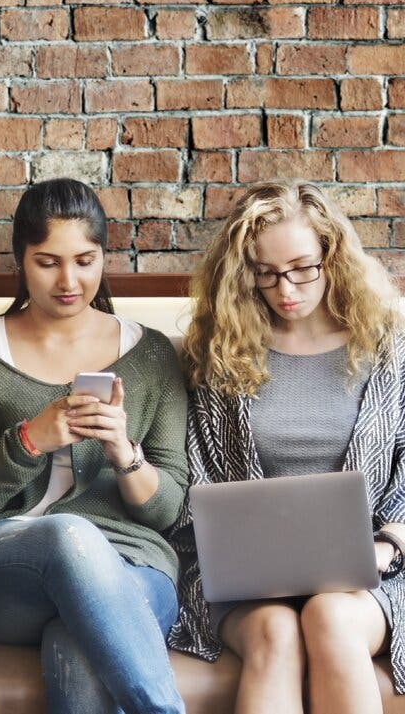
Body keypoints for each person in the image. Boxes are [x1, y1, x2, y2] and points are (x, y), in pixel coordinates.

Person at [0, 178, 188, 713]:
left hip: (131, 568)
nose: (69, 280)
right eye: (47, 261)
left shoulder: (149, 356)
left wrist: (124, 452)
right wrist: (30, 441)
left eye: (85, 260)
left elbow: (169, 510)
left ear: (104, 255)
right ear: (20, 260)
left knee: (77, 642)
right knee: (69, 534)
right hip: (1, 567)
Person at [169, 180, 405, 714]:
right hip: (247, 577)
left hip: (377, 570)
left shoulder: (387, 346)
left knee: (331, 616)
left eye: (303, 267)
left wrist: (386, 547)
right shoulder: (223, 352)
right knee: (276, 629)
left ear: (332, 254)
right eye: (266, 273)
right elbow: (197, 480)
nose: (286, 289)